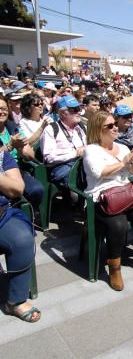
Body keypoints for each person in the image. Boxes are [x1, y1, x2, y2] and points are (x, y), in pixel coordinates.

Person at [83, 111, 133, 291]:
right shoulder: (91, 150)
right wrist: (123, 162)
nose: (115, 127)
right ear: (98, 130)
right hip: (102, 197)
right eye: (109, 126)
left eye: (115, 124)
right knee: (118, 225)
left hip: (125, 194)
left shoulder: (122, 147)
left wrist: (131, 162)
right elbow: (99, 172)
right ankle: (114, 268)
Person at [0, 148, 40, 322]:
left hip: (1, 213)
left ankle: (14, 301)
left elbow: (17, 189)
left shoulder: (2, 154)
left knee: (22, 239)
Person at [40, 95, 87, 189]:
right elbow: (49, 158)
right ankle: (81, 202)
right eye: (73, 110)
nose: (78, 112)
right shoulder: (52, 129)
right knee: (80, 180)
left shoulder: (81, 127)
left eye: (78, 109)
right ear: (62, 113)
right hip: (61, 167)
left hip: (82, 162)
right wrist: (75, 153)